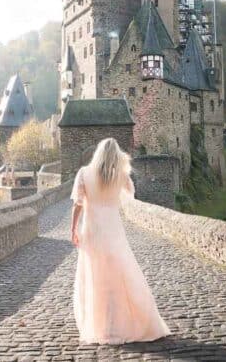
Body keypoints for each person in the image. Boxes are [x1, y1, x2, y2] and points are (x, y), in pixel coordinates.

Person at [69, 138, 171, 345]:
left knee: (95, 276)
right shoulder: (121, 175)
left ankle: (100, 325)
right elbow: (130, 197)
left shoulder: (84, 174)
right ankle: (123, 322)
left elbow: (78, 205)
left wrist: (73, 229)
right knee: (120, 276)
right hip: (113, 231)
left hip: (92, 231)